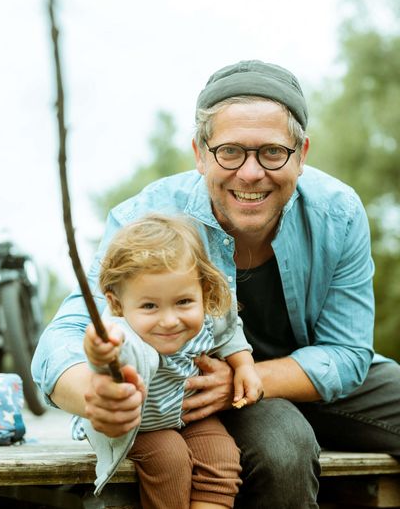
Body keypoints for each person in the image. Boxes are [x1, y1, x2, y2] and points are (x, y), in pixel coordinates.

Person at [32, 59, 400, 508]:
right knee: (284, 446)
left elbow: (347, 352)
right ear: (200, 153)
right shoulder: (144, 219)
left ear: (301, 154)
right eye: (230, 151)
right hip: (190, 380)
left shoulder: (338, 212)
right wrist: (94, 395)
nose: (250, 173)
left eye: (271, 152)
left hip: (292, 370)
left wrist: (246, 377)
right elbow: (64, 337)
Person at [80, 213, 262, 508]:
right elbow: (117, 356)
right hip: (138, 425)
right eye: (150, 306)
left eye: (183, 302)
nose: (169, 320)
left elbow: (230, 331)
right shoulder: (125, 333)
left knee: (222, 456)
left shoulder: (209, 316)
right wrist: (102, 350)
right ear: (117, 304)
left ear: (203, 291)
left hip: (185, 415)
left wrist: (244, 365)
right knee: (170, 459)